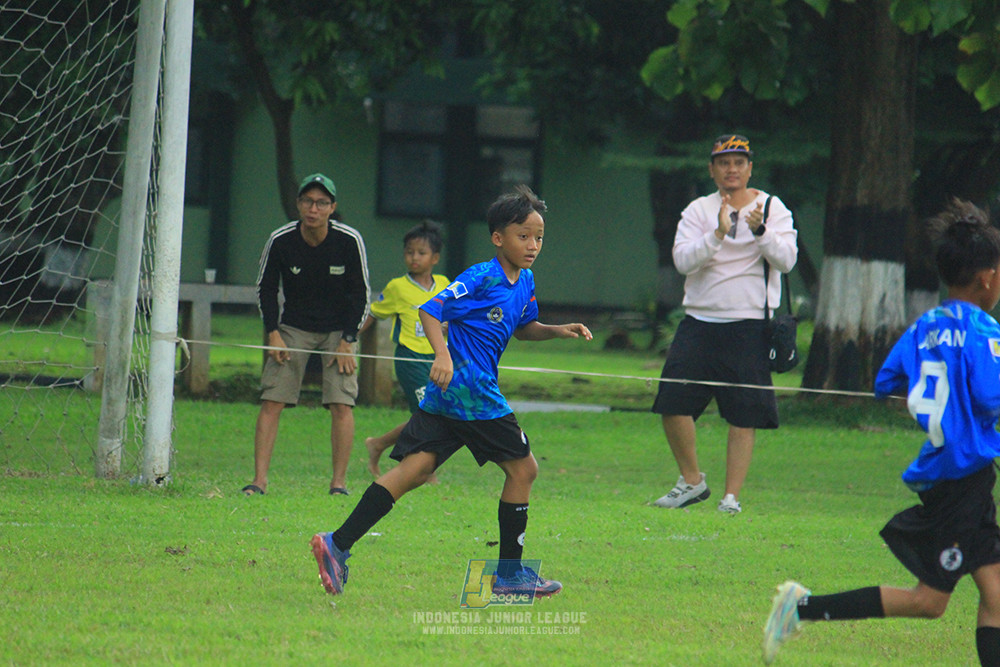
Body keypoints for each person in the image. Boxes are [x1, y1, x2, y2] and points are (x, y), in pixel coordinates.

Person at [309, 184, 592, 597]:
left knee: (415, 471)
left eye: (539, 237)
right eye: (523, 236)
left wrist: (556, 330)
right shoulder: (481, 276)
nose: (533, 245)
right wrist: (441, 354)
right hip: (472, 391)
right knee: (524, 469)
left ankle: (337, 543)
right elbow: (429, 309)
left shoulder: (525, 280)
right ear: (498, 238)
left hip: (449, 397)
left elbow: (524, 327)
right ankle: (510, 575)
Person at [762, 199, 1000, 667]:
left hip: (954, 473)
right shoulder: (985, 330)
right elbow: (992, 398)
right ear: (987, 277)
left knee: (996, 594)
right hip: (961, 478)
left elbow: (885, 383)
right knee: (929, 602)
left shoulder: (923, 327)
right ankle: (800, 608)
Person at [651, 134, 798, 514]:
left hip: (749, 324)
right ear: (712, 169)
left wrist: (761, 231)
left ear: (750, 168)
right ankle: (691, 480)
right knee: (672, 402)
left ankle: (731, 497)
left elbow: (787, 261)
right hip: (700, 320)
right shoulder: (698, 210)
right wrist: (717, 233)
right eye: (723, 163)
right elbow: (683, 261)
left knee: (743, 412)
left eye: (739, 162)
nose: (731, 169)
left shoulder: (772, 207)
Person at [242, 173, 370, 497]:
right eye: (308, 202)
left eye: (321, 203)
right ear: (299, 205)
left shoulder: (349, 240)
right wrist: (272, 332)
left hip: (339, 330)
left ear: (332, 208)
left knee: (342, 403)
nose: (314, 209)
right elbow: (266, 289)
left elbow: (362, 293)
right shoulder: (281, 240)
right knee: (272, 399)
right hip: (293, 328)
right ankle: (258, 481)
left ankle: (338, 483)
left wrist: (349, 340)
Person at [361, 220, 450, 479]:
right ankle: (422, 469)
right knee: (427, 413)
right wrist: (347, 339)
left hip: (437, 358)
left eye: (421, 253)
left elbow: (453, 316)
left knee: (436, 414)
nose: (414, 258)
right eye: (409, 252)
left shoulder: (445, 284)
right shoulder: (397, 287)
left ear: (435, 257)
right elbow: (374, 314)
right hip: (409, 358)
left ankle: (378, 444)